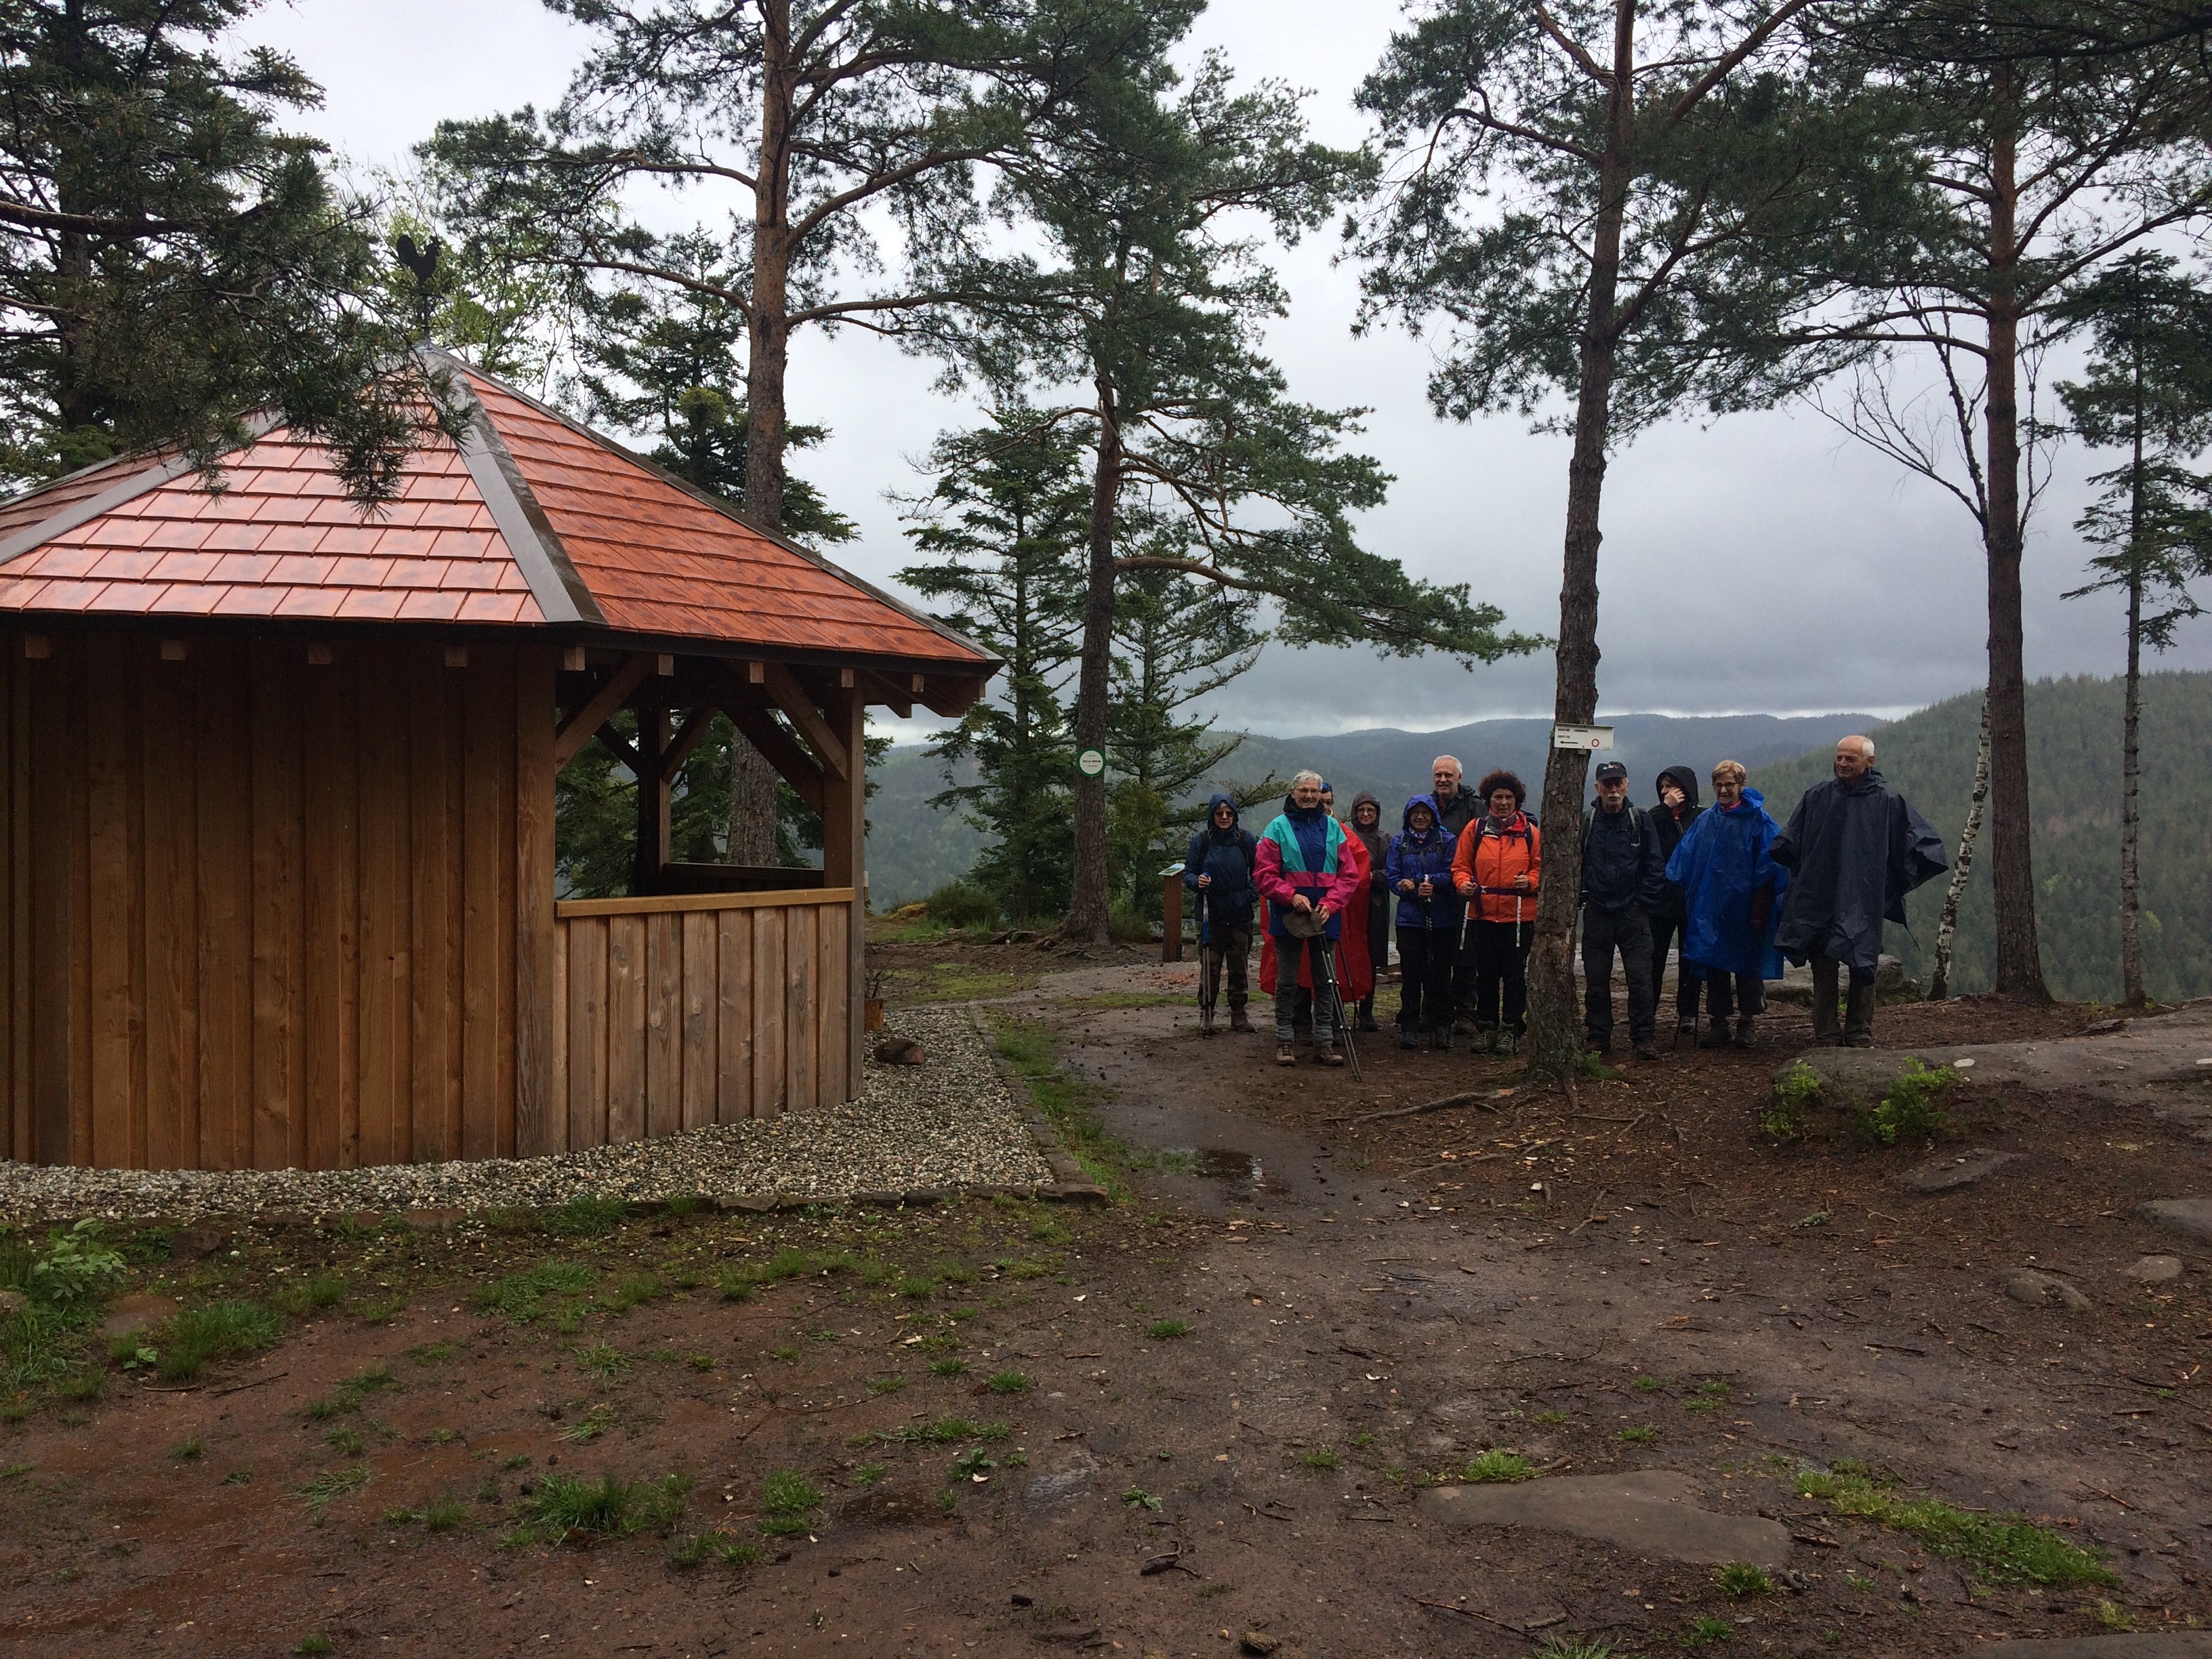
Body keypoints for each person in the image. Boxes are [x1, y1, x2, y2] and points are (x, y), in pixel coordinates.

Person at [1771, 734, 1948, 1047]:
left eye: (1850, 759)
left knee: (1862, 968)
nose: (1842, 764)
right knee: (1823, 970)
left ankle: (1859, 1033)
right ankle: (1825, 1035)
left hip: (1863, 901)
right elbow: (1790, 842)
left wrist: (1891, 887)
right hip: (1820, 899)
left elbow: (1919, 846)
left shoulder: (1889, 803)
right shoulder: (1818, 797)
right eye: (1839, 757)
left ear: (1870, 762)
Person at [1664, 760, 1788, 1048]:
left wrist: (1760, 905)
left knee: (1747, 965)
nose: (1723, 790)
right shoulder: (1708, 820)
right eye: (1719, 785)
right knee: (1714, 964)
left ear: (1741, 786)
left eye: (1729, 785)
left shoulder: (1759, 820)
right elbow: (1687, 859)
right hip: (1712, 906)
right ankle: (1718, 1023)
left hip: (1746, 907)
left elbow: (1771, 865)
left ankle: (1748, 1023)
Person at [1254, 771, 1362, 1066]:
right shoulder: (1277, 828)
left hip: (1325, 915)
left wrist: (1332, 902)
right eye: (1304, 791)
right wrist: (1290, 896)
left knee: (1325, 981)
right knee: (1287, 980)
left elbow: (1349, 874)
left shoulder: (1333, 829)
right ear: (1293, 793)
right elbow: (1264, 874)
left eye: (1315, 791)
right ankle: (1285, 1041)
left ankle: (1324, 1043)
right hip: (1289, 914)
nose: (1310, 796)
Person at [1580, 760, 1666, 1060]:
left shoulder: (1639, 820)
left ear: (1627, 785)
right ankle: (1597, 1037)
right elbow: (1576, 864)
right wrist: (1584, 897)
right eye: (1607, 784)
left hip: (1633, 912)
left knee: (1641, 979)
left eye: (1618, 783)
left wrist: (1643, 902)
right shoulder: (1587, 822)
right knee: (1596, 982)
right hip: (1597, 913)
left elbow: (1655, 866)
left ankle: (1644, 1038)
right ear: (1597, 788)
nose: (1613, 789)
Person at [1452, 770, 1540, 1055]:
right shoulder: (1475, 830)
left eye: (1509, 797)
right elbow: (1460, 866)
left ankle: (1512, 1029)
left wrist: (1530, 882)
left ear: (1518, 800)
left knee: (1515, 975)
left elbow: (1540, 867)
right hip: (1483, 914)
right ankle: (1488, 1026)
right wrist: (1463, 884)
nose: (1503, 802)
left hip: (1518, 916)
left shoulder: (1530, 832)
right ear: (1489, 799)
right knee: (1486, 974)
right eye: (1498, 797)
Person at [1386, 794, 1460, 1048]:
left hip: (1442, 918)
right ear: (1408, 816)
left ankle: (1442, 1026)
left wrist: (1422, 881)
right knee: (1411, 975)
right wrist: (1405, 888)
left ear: (1433, 816)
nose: (1420, 817)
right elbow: (1392, 877)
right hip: (1409, 920)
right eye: (1415, 813)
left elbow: (1452, 873)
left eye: (1425, 813)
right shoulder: (1399, 843)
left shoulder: (1447, 841)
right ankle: (1409, 1026)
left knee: (1440, 975)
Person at [1183, 794, 1258, 1034]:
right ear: (1212, 816)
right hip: (1209, 915)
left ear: (1234, 815)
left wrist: (1248, 895)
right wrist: (1198, 881)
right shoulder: (1202, 841)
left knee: (1239, 967)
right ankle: (1207, 1014)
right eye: (1219, 813)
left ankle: (1239, 1015)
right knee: (1210, 968)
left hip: (1239, 915)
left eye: (1229, 813)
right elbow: (1188, 873)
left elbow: (1260, 874)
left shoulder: (1246, 840)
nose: (1224, 817)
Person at [1647, 766, 1707, 1044]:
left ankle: (1688, 1013)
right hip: (1660, 900)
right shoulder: (1654, 818)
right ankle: (1648, 1012)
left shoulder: (1701, 817)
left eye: (1672, 785)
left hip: (1692, 898)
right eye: (1662, 786)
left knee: (1689, 958)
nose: (1665, 791)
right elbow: (1644, 831)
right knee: (1653, 959)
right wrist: (1664, 808)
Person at [1427, 756, 1481, 1027]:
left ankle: (1465, 1011)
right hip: (1434, 891)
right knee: (1434, 953)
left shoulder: (1476, 807)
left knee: (1466, 953)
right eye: (1438, 775)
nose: (1443, 780)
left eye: (1448, 775)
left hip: (1465, 891)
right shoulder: (1425, 806)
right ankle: (1435, 1009)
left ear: (1459, 777)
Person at [1345, 792, 1391, 1033]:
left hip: (1376, 905)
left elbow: (1392, 871)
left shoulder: (1386, 839)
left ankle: (1367, 1011)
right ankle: (1340, 1008)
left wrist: (1372, 876)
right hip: (1350, 902)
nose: (1365, 815)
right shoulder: (1345, 835)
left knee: (1371, 956)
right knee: (1347, 953)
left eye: (1370, 811)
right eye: (1361, 810)